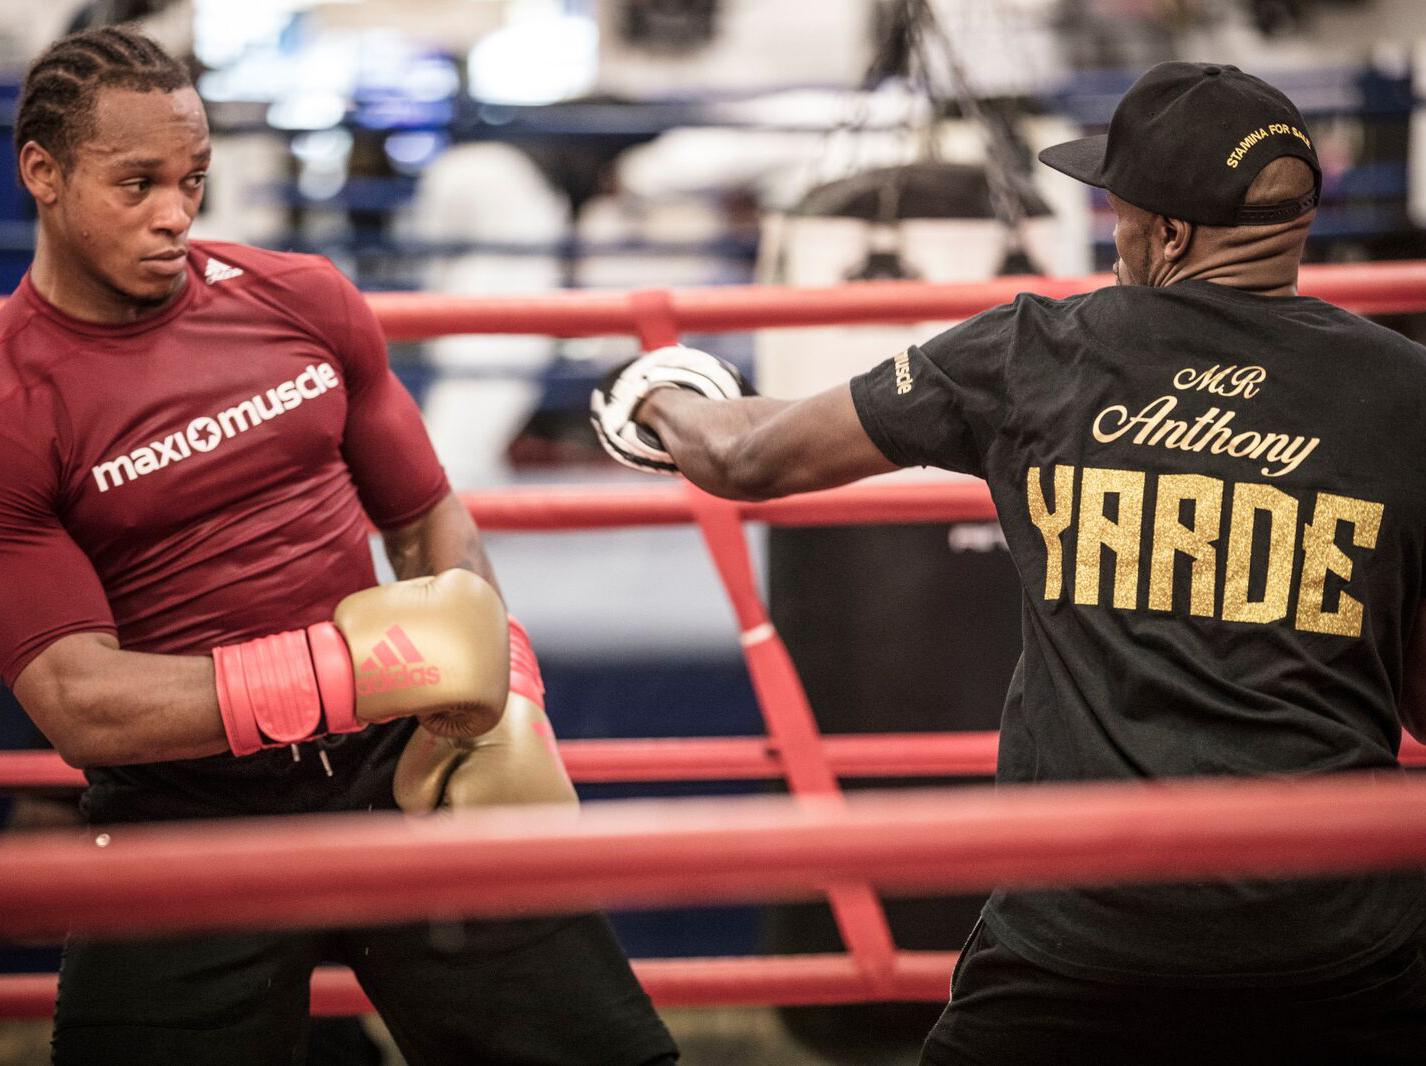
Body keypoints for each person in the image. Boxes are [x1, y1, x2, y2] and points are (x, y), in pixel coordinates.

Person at [593, 62, 1426, 1065]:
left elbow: (745, 456)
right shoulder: (1404, 394)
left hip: (1083, 945)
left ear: (1164, 234)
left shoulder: (1039, 351)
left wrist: (655, 394)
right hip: (1338, 947)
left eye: (1118, 213)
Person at [1, 26, 678, 1066]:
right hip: (185, 804)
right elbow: (78, 698)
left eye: (192, 179)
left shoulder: (299, 299)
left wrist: (502, 690)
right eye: (135, 183)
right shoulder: (15, 400)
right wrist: (349, 671)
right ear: (41, 172)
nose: (175, 214)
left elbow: (423, 517)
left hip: (392, 758)